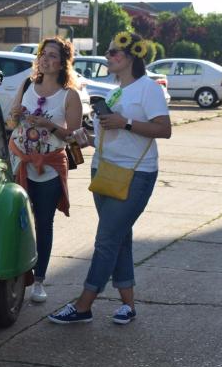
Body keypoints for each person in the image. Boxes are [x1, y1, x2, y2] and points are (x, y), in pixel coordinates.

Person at [49, 31, 171, 325]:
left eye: (114, 52)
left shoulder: (148, 89)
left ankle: (83, 305)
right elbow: (112, 137)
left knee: (106, 240)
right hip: (104, 170)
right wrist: (87, 138)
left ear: (131, 57)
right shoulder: (116, 90)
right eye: (108, 51)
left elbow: (164, 129)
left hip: (135, 174)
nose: (108, 56)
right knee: (119, 238)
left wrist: (125, 122)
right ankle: (128, 305)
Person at [8, 37, 82, 303]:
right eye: (43, 54)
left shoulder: (69, 95)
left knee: (43, 222)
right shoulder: (27, 84)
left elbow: (74, 137)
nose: (45, 59)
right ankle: (16, 275)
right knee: (15, 220)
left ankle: (38, 281)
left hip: (49, 168)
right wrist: (15, 115)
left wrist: (48, 125)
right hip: (20, 163)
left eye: (52, 55)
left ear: (63, 63)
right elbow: (11, 122)